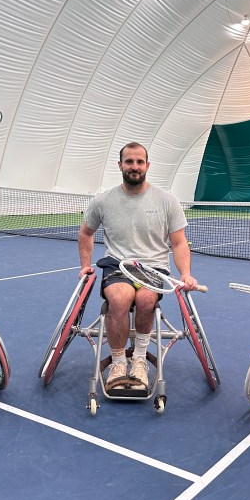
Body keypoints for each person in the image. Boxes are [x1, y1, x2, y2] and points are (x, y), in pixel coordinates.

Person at [77, 142, 198, 393]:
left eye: (139, 162)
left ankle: (140, 359)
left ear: (147, 166)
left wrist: (185, 273)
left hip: (152, 268)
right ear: (120, 165)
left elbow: (179, 243)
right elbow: (85, 233)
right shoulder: (102, 200)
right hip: (117, 266)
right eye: (129, 162)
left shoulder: (167, 201)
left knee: (145, 300)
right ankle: (119, 362)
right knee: (120, 299)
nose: (135, 167)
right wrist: (85, 266)